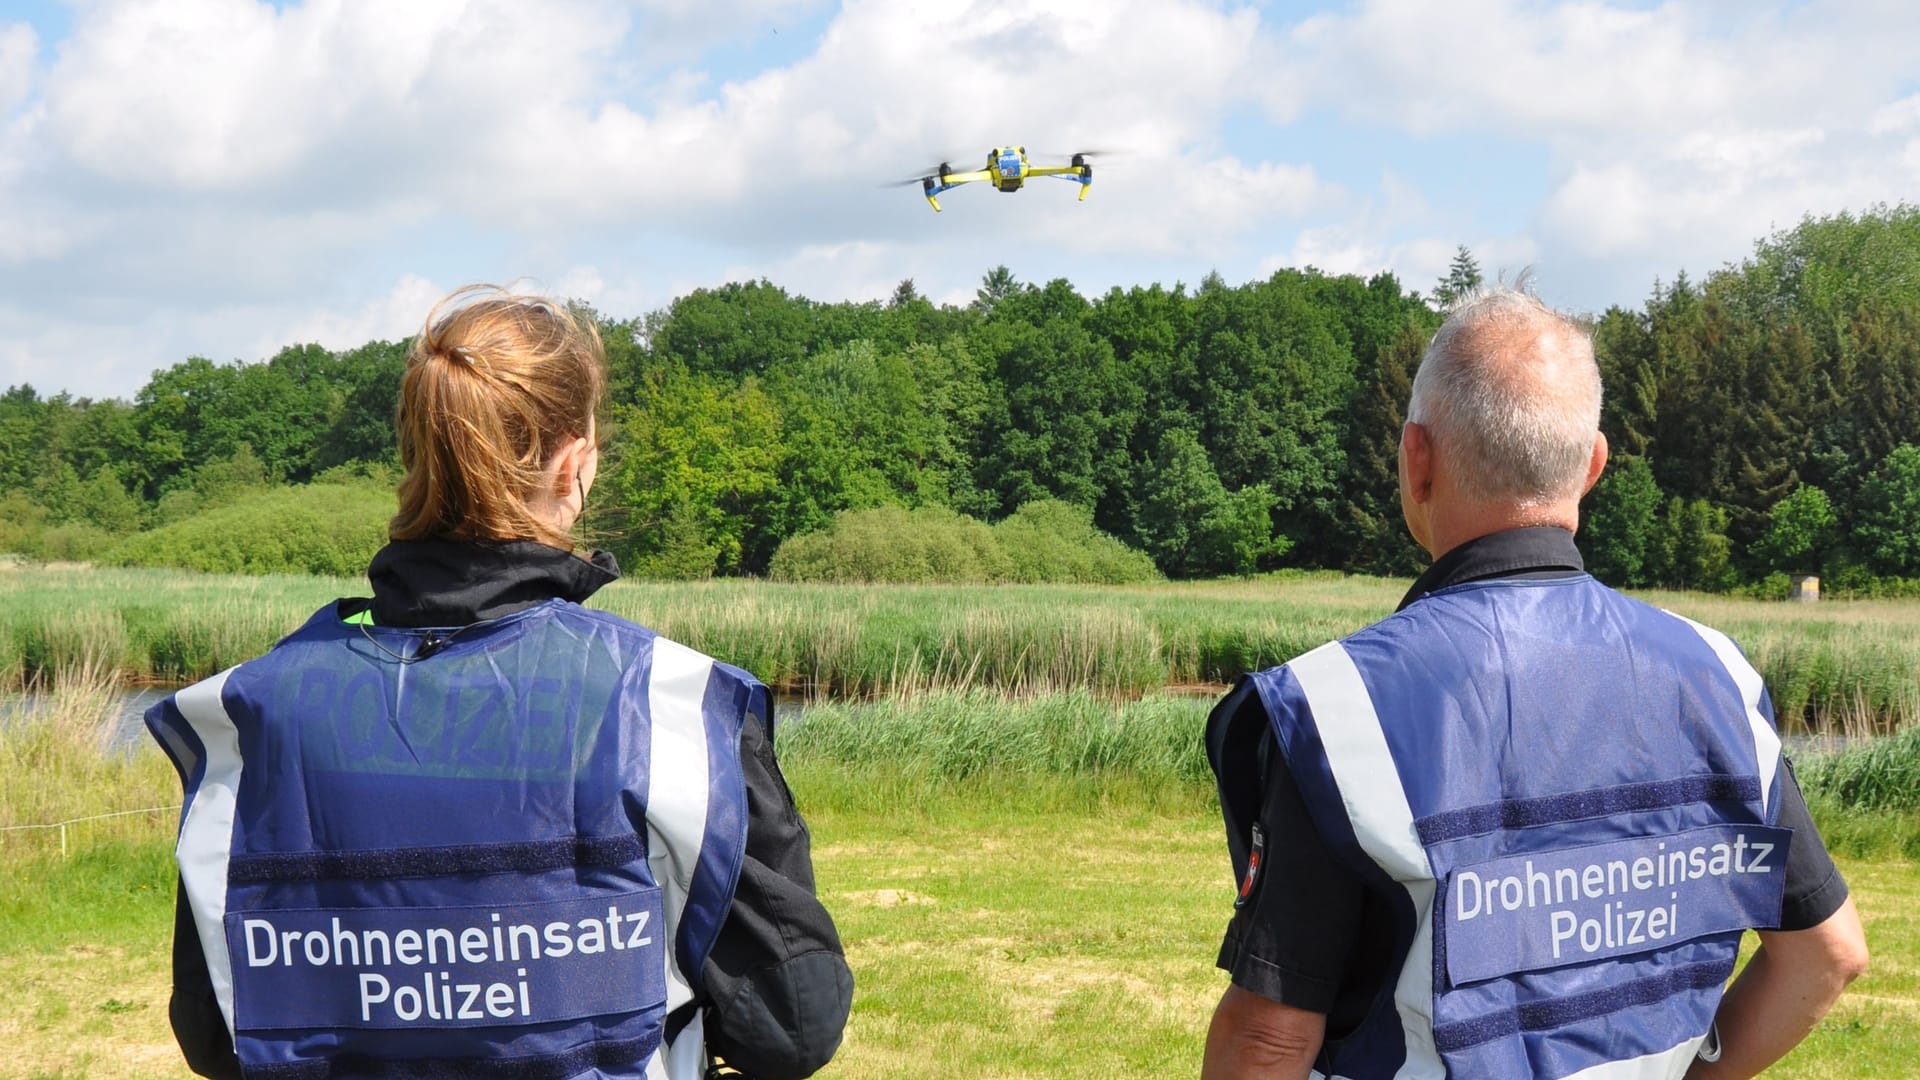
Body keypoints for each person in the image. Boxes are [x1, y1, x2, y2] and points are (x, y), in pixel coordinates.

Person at [147, 285, 851, 1080]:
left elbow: (214, 1031)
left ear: (417, 461)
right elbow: (793, 1024)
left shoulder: (252, 712)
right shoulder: (670, 705)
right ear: (574, 464)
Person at [1201, 281, 1868, 1079]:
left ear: (1417, 459)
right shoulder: (1718, 675)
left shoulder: (1339, 709)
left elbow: (1270, 1039)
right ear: (1592, 466)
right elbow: (1826, 955)